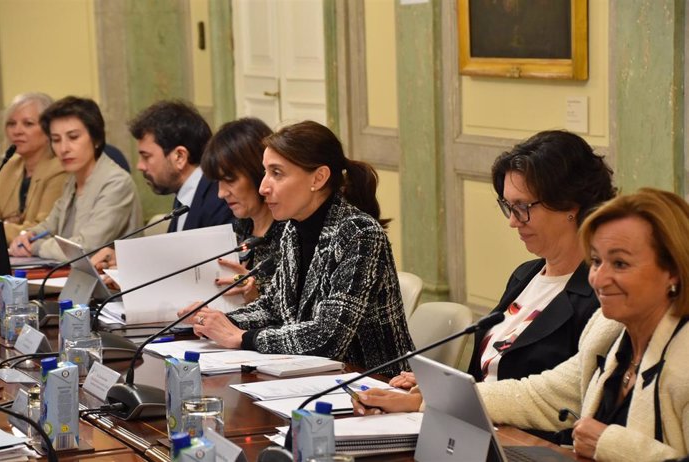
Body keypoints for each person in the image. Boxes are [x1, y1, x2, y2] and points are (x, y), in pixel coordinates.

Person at [354, 188, 689, 461]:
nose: (599, 278)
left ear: (673, 269)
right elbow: (539, 395)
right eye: (597, 261)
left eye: (620, 263)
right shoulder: (609, 331)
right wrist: (427, 399)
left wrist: (611, 444)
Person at [180, 120, 414, 376]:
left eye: (277, 173)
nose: (263, 187)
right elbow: (272, 308)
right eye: (265, 172)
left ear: (318, 177)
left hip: (372, 382)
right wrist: (212, 321)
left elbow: (328, 337)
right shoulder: (293, 228)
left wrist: (243, 337)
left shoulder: (359, 233)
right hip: (309, 375)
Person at [390, 130, 616, 390]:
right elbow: (489, 372)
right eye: (508, 206)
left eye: (523, 207)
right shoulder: (525, 275)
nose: (512, 221)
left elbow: (571, 399)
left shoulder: (600, 296)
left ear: (570, 204)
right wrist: (438, 388)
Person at [91, 100, 234, 270]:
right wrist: (128, 264)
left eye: (146, 156)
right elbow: (178, 262)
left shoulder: (218, 200)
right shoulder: (185, 195)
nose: (140, 166)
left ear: (179, 157)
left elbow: (207, 274)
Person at [8, 96, 142, 261]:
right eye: (56, 140)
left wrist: (35, 247)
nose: (63, 149)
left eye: (73, 137)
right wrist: (27, 236)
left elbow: (86, 248)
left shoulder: (116, 183)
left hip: (113, 283)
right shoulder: (73, 180)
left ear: (97, 139)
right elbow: (50, 226)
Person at [200, 117, 284, 303]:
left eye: (230, 179)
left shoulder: (290, 236)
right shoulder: (239, 228)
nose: (221, 193)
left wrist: (255, 295)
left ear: (258, 172)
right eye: (218, 182)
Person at [0, 93, 67, 242]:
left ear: (49, 129)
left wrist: (6, 227)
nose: (17, 131)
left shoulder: (61, 169)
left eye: (28, 124)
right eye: (11, 124)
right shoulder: (7, 166)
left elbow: (43, 229)